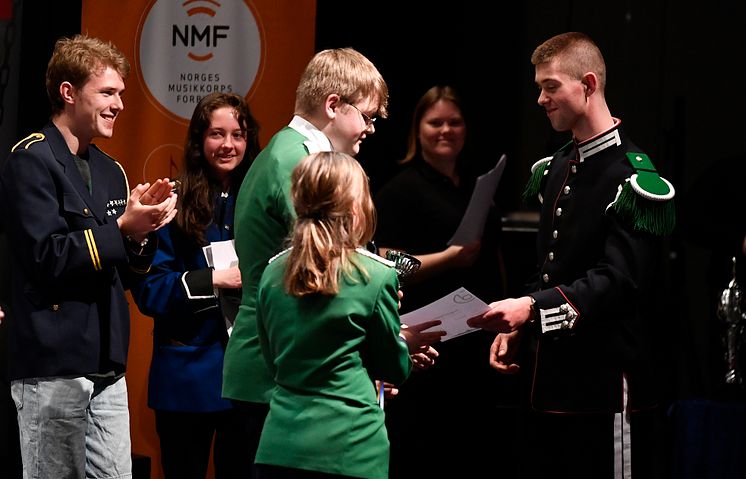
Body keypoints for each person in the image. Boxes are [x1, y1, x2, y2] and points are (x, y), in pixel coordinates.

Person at [221, 48, 442, 476]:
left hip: (282, 366)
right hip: (281, 375)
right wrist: (383, 346)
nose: (371, 129)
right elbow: (325, 274)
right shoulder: (298, 161)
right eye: (368, 116)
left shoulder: (293, 152)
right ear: (333, 105)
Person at [467, 32, 675, 478]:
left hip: (603, 386)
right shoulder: (556, 167)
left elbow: (618, 283)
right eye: (538, 87)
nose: (541, 99)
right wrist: (523, 324)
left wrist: (532, 309)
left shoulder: (633, 178)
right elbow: (550, 268)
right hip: (549, 382)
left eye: (551, 86)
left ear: (588, 84)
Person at [0, 34, 178, 478]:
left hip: (108, 367)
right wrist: (121, 229)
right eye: (108, 92)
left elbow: (132, 276)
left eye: (121, 94)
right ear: (69, 92)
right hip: (53, 366)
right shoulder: (31, 160)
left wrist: (143, 232)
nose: (119, 104)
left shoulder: (111, 169)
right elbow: (48, 257)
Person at [373, 85, 510, 476]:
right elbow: (383, 259)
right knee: (425, 449)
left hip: (476, 338)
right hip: (428, 340)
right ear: (418, 130)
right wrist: (447, 259)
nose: (445, 130)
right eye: (436, 122)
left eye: (455, 122)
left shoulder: (474, 185)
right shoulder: (400, 189)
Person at [254, 151, 412, 479]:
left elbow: (272, 363)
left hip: (278, 446)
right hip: (350, 448)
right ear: (356, 207)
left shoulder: (271, 273)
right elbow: (393, 367)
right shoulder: (376, 275)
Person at [131, 92, 260, 478]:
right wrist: (216, 279)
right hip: (186, 381)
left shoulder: (262, 199)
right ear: (198, 140)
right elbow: (150, 290)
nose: (228, 145)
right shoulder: (172, 200)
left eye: (237, 134)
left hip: (247, 379)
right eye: (216, 134)